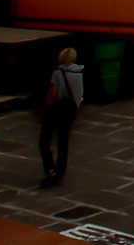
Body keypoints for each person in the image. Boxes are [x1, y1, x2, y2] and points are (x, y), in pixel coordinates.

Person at [38, 47, 84, 187]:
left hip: (56, 110)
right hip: (70, 110)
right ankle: (59, 172)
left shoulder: (57, 74)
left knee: (44, 141)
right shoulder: (79, 73)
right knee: (63, 142)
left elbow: (53, 95)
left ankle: (50, 171)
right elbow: (79, 95)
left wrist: (46, 110)